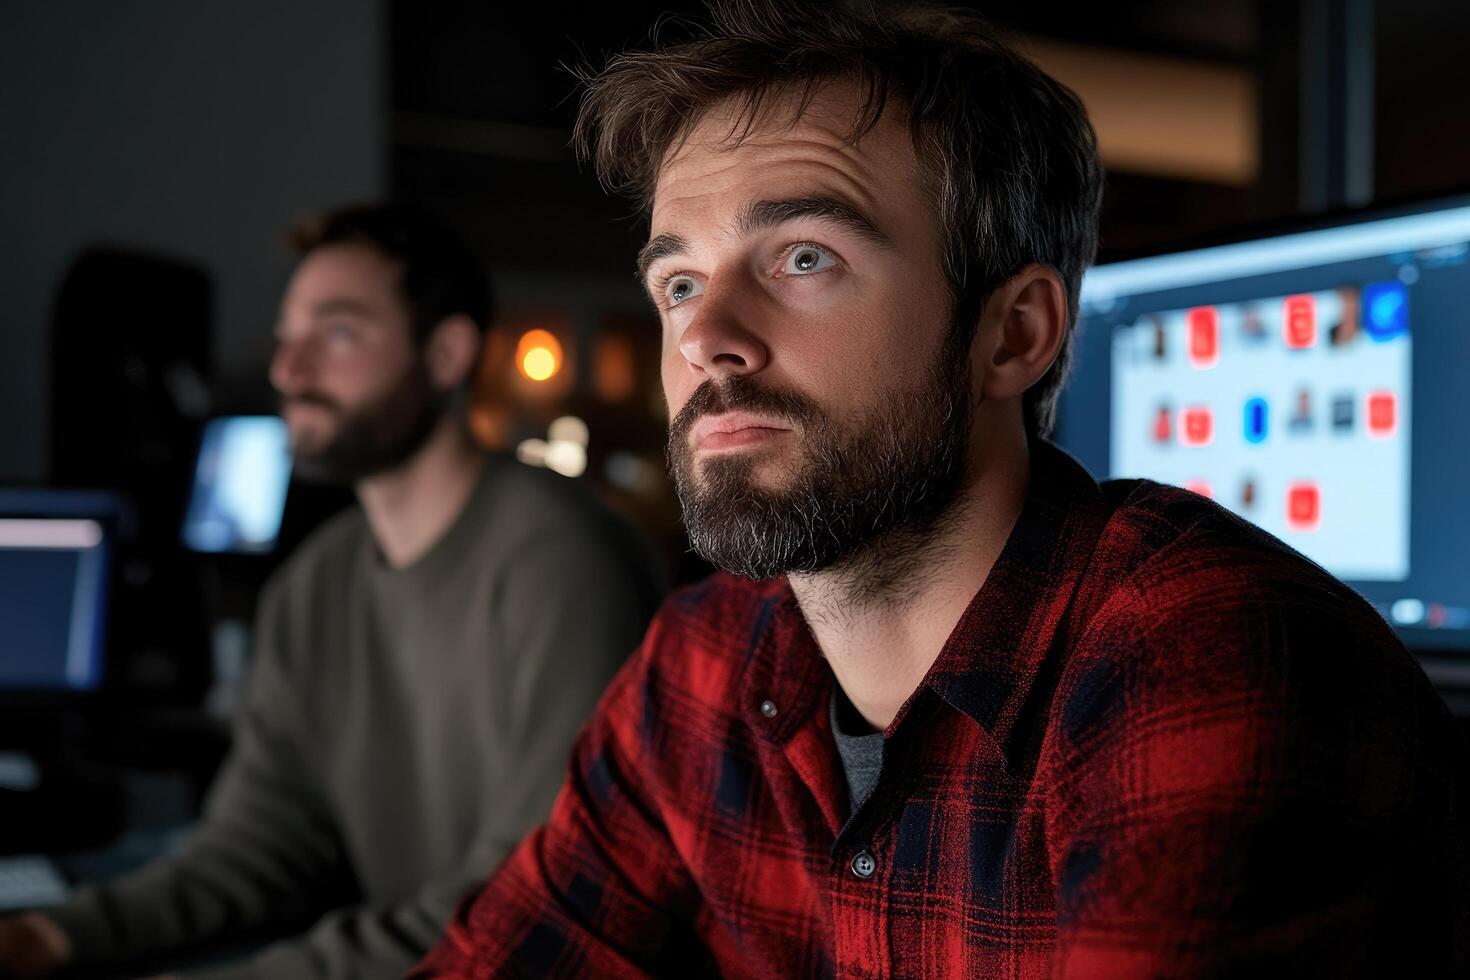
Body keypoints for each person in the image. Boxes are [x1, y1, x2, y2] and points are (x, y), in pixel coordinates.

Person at [416, 3, 1470, 976]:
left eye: (803, 257)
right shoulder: (700, 666)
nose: (705, 337)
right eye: (680, 282)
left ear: (1011, 335)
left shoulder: (1204, 650)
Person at [0, 204, 663, 979]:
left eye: (338, 332)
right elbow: (256, 848)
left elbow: (533, 907)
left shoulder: (563, 561)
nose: (290, 370)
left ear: (446, 353)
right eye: (287, 337)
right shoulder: (314, 586)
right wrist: (49, 937)